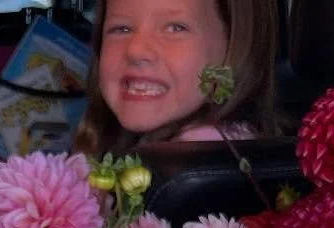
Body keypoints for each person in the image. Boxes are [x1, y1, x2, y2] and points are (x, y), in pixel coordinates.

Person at [74, 0, 279, 156]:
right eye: (121, 28)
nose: (136, 50)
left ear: (234, 46)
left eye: (175, 28)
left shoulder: (199, 156)